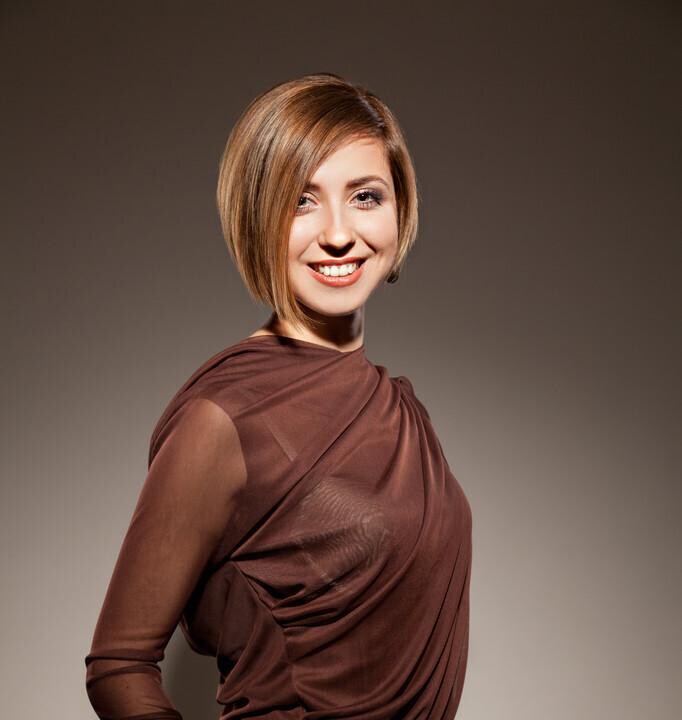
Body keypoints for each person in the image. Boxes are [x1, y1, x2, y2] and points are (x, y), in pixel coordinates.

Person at [84, 72, 473, 720]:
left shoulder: (405, 411)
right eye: (301, 201)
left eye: (365, 196)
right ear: (256, 217)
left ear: (400, 210)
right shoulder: (224, 418)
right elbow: (117, 667)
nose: (339, 233)